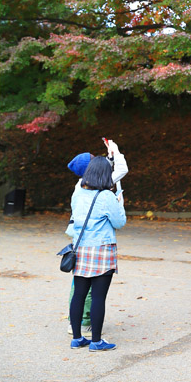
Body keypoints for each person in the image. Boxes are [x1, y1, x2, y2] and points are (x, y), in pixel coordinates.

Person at [66, 139, 128, 337]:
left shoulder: (78, 193)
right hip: (101, 248)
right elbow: (119, 222)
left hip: (80, 245)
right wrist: (120, 202)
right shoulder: (105, 196)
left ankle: (76, 337)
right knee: (98, 296)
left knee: (78, 293)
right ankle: (95, 340)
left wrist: (110, 156)